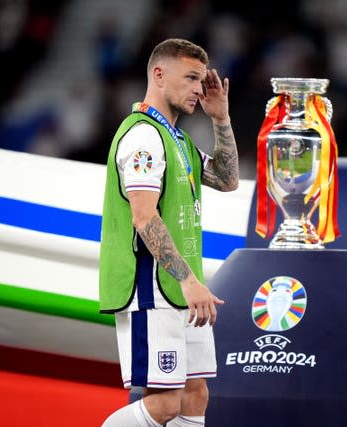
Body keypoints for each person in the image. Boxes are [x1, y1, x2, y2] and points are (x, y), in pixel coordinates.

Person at [99, 38, 239, 427]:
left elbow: (228, 180)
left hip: (180, 289)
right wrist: (189, 279)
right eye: (191, 77)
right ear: (158, 75)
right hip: (152, 287)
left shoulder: (179, 141)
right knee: (164, 404)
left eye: (202, 79)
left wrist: (221, 119)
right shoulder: (143, 136)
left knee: (196, 396)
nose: (199, 87)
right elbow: (143, 218)